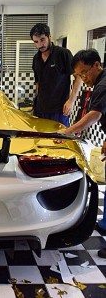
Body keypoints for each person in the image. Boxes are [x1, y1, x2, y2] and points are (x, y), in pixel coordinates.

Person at [59, 48, 106, 258]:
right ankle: (105, 225)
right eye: (78, 75)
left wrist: (68, 131)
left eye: (84, 73)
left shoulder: (103, 85)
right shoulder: (100, 82)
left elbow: (94, 116)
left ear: (97, 65)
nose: (83, 78)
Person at [30, 23, 82, 126]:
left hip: (59, 110)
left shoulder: (63, 54)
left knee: (59, 140)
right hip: (40, 110)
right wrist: (36, 104)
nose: (40, 45)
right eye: (36, 42)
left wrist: (71, 101)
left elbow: (78, 77)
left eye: (42, 39)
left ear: (49, 36)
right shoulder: (36, 59)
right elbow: (38, 83)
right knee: (40, 140)